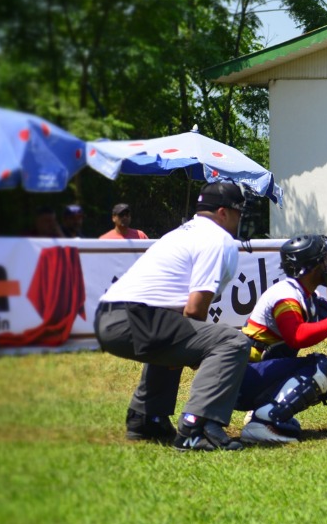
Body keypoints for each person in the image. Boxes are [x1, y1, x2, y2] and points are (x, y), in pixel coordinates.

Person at [93, 181, 254, 451]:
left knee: (178, 332)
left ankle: (147, 418)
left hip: (109, 316)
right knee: (231, 342)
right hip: (136, 318)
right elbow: (194, 309)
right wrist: (195, 354)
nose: (241, 219)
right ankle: (198, 427)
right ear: (224, 212)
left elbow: (179, 317)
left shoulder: (180, 233)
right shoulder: (218, 238)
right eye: (239, 212)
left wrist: (185, 350)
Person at [235, 234, 327, 445]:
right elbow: (297, 337)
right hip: (241, 379)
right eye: (325, 259)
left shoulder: (302, 294)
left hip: (248, 377)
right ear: (312, 266)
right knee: (322, 367)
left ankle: (262, 413)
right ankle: (261, 423)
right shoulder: (286, 296)